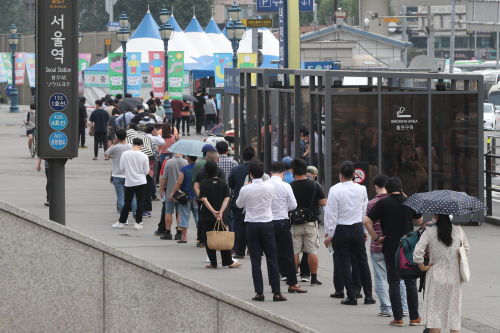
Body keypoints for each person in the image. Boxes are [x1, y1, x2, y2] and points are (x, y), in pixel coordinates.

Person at [363, 176, 423, 326]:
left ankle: (398, 318)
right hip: (408, 247)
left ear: (387, 190)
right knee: (410, 282)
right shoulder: (410, 201)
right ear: (401, 188)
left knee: (394, 282)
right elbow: (419, 221)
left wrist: (376, 238)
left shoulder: (383, 202)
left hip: (390, 246)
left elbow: (366, 221)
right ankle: (414, 317)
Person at [324, 161, 376, 305]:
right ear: (354, 175)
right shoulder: (362, 189)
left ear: (340, 176)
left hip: (341, 230)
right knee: (362, 262)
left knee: (344, 263)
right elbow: (364, 210)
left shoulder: (335, 190)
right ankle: (369, 295)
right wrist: (364, 230)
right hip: (357, 228)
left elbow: (331, 215)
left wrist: (329, 234)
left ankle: (351, 295)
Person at [236, 158, 286, 302]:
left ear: (250, 174)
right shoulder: (270, 187)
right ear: (263, 172)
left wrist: (244, 187)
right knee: (272, 258)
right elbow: (272, 200)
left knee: (255, 259)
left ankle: (259, 292)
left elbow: (239, 205)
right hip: (267, 224)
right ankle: (277, 292)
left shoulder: (246, 188)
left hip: (251, 225)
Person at [413, 215, 469, 333]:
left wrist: (423, 267)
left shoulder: (430, 231)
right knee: (454, 312)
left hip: (435, 276)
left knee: (435, 314)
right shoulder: (458, 230)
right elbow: (466, 250)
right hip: (454, 276)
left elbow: (418, 251)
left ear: (436, 216)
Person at [366, 174, 409, 317]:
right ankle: (403, 307)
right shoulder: (403, 201)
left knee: (381, 278)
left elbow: (367, 222)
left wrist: (377, 238)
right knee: (399, 279)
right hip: (398, 246)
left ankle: (386, 308)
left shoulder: (372, 203)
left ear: (376, 187)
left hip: (379, 246)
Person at [268, 161, 307, 293]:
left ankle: (274, 283)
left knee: (271, 254)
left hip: (267, 222)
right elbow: (293, 206)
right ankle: (292, 283)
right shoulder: (286, 186)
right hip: (282, 222)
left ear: (270, 172)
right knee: (288, 253)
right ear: (283, 173)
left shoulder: (265, 185)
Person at [289, 159, 326, 286]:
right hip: (311, 222)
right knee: (312, 251)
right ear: (306, 171)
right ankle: (314, 278)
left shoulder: (291, 186)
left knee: (294, 251)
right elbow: (323, 203)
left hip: (294, 222)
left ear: (293, 171)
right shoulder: (315, 185)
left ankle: (293, 278)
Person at [198, 160, 242, 269]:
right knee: (223, 237)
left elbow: (204, 199)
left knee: (209, 237)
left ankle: (213, 263)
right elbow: (226, 198)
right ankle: (228, 261)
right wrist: (220, 211)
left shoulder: (204, 183)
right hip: (221, 216)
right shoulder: (223, 183)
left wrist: (213, 211)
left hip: (207, 215)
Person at [113, 138, 149, 230]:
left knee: (127, 203)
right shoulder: (144, 156)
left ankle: (122, 221)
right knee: (140, 202)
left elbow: (121, 168)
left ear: (132, 144)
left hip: (129, 181)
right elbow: (147, 171)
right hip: (141, 181)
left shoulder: (125, 154)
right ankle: (138, 222)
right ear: (141, 145)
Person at [193, 150, 226, 246]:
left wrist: (201, 195)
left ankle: (201, 239)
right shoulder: (220, 171)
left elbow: (196, 186)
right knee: (221, 221)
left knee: (202, 220)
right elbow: (224, 186)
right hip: (219, 201)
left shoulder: (200, 172)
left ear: (206, 159)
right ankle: (220, 241)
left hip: (204, 202)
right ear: (218, 159)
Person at [228, 147, 256, 259]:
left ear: (242, 157)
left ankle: (236, 247)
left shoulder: (236, 169)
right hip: (253, 202)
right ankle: (251, 247)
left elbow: (230, 184)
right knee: (251, 225)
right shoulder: (256, 169)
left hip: (239, 201)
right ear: (254, 157)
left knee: (238, 226)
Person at [105, 129, 136, 222]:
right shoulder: (131, 147)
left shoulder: (115, 147)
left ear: (117, 138)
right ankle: (136, 217)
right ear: (126, 136)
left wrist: (113, 144)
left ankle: (124, 218)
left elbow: (106, 154)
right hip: (129, 175)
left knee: (120, 197)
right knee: (133, 197)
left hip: (117, 174)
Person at [169, 156, 198, 243]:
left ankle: (184, 237)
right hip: (197, 196)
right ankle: (200, 237)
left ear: (188, 158)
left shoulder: (184, 169)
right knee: (198, 217)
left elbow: (179, 182)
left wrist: (172, 194)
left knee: (185, 216)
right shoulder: (199, 168)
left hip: (185, 196)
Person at [160, 153, 188, 240]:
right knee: (179, 212)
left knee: (168, 212)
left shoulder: (168, 162)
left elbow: (164, 178)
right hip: (181, 193)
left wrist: (161, 188)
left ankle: (168, 232)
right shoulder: (186, 163)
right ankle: (179, 233)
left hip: (170, 191)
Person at [216, 141, 238, 231]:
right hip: (230, 194)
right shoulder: (234, 163)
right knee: (231, 217)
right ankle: (231, 238)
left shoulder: (215, 162)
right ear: (227, 150)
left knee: (218, 216)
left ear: (217, 151)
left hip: (217, 193)